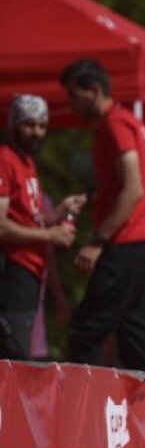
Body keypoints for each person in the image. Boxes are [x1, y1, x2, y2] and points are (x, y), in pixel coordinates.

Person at [60, 59, 145, 371]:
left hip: (123, 248)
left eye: (75, 96)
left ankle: (91, 414)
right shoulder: (132, 123)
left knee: (84, 334)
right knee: (136, 338)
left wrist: (98, 241)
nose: (71, 105)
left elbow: (133, 188)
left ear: (95, 91)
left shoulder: (114, 125)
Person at [0, 94, 82, 359]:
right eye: (29, 124)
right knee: (14, 353)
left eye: (42, 126)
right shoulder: (5, 160)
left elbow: (28, 217)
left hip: (32, 269)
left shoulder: (27, 163)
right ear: (12, 125)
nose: (36, 132)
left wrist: (59, 211)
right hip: (14, 267)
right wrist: (50, 234)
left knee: (21, 351)